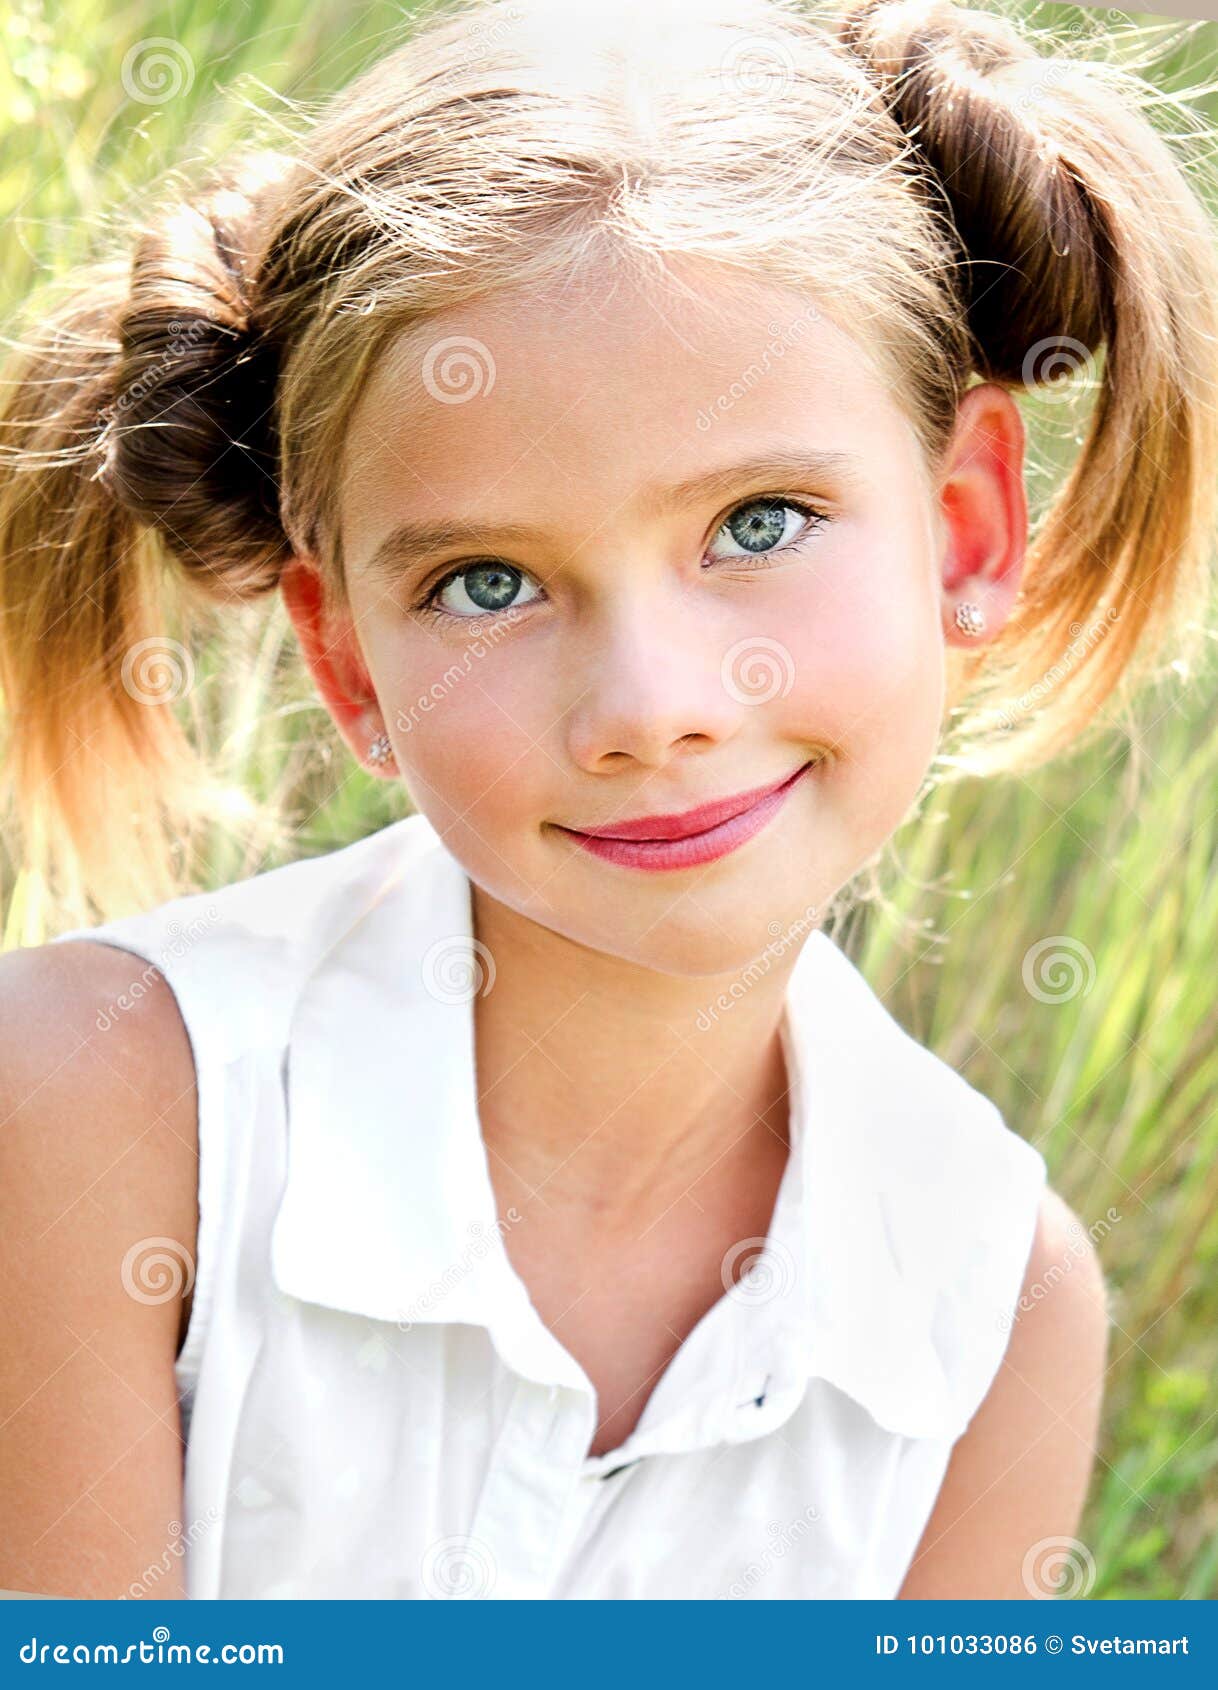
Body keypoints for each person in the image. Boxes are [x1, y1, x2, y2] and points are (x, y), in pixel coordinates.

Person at [4, 0, 1212, 1599]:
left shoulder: (990, 1304)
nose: (650, 708)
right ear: (348, 657)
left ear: (968, 526)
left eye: (761, 523)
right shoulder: (94, 1106)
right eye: (487, 581)